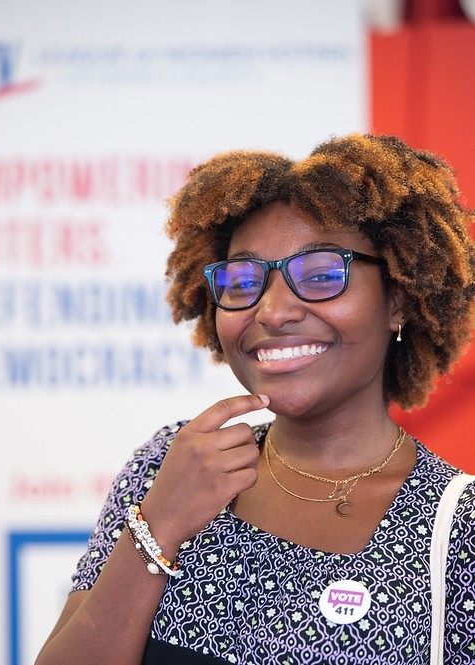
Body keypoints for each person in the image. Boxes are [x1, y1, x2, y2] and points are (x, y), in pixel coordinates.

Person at [35, 133, 475, 665]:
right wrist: (160, 525)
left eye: (319, 275)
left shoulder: (459, 529)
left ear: (399, 300)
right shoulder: (171, 463)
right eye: (243, 281)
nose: (272, 310)